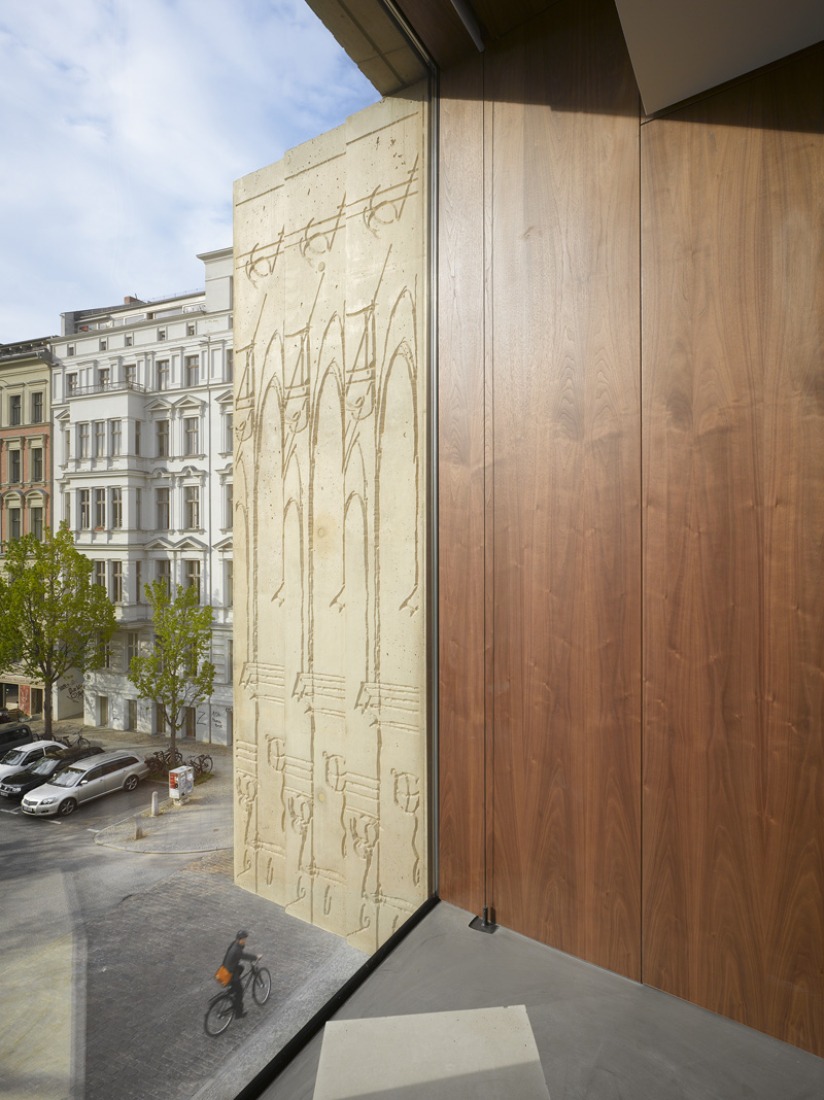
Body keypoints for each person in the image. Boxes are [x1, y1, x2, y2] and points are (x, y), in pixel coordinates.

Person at [222, 930, 259, 1018]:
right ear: (240, 939)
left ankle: (233, 988)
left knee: (241, 967)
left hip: (226, 968)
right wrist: (256, 957)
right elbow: (244, 956)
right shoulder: (237, 950)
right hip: (230, 974)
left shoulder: (234, 944)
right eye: (244, 939)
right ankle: (239, 1013)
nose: (245, 941)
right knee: (240, 992)